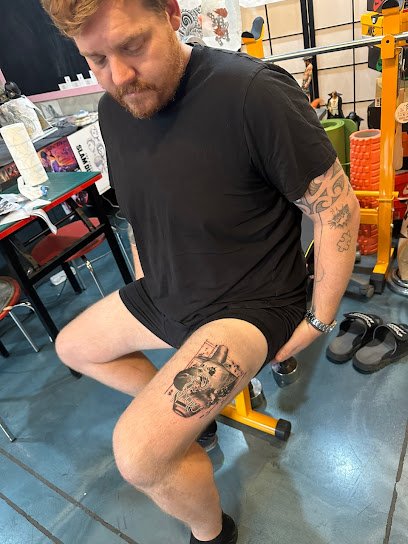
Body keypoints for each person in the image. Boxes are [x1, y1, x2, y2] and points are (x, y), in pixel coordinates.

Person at [41, 1, 360, 543]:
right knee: (72, 346)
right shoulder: (114, 110)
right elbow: (141, 213)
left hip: (250, 304)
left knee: (140, 456)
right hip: (169, 288)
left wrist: (319, 320)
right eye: (97, 60)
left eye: (132, 46)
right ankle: (198, 419)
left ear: (170, 13)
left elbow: (337, 210)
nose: (119, 76)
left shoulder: (252, 92)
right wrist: (145, 282)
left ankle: (213, 533)